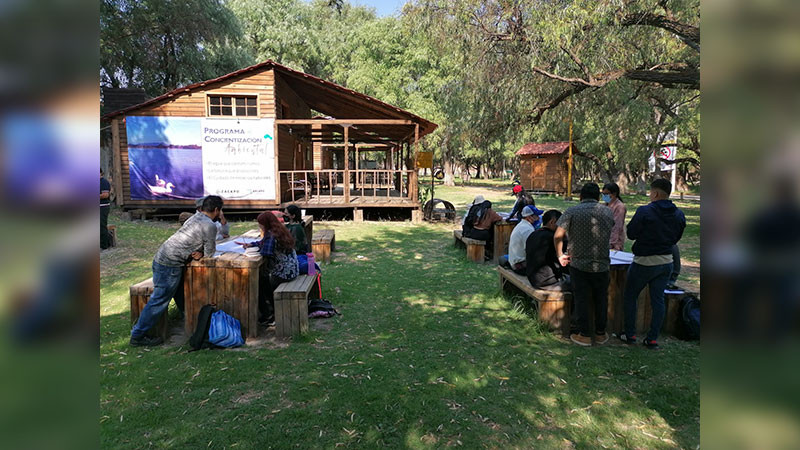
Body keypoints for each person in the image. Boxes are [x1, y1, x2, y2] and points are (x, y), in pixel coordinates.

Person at [129, 195, 223, 346]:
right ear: (217, 210)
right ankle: (138, 335)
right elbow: (210, 252)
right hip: (170, 265)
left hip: (162, 257)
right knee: (159, 300)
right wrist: (203, 253)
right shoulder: (209, 225)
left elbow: (191, 240)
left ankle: (191, 323)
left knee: (180, 294)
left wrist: (199, 252)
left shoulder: (194, 218)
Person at [620, 178, 686, 350]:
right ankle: (652, 338)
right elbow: (676, 238)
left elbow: (632, 233)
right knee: (658, 301)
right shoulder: (679, 214)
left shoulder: (645, 211)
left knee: (630, 296)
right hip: (666, 262)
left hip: (644, 262)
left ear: (655, 193)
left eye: (650, 192)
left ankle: (630, 334)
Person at [554, 183, 615, 346]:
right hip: (602, 264)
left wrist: (560, 254)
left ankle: (585, 334)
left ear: (580, 196)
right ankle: (601, 333)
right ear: (598, 196)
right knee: (601, 299)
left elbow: (558, 235)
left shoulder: (571, 211)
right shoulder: (608, 212)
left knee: (582, 299)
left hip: (579, 263)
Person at [238, 211, 299, 325]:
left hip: (284, 274)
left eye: (260, 223)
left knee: (258, 283)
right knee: (263, 280)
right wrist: (252, 244)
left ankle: (268, 315)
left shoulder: (271, 235)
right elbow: (263, 243)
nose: (259, 225)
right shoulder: (279, 231)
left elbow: (266, 253)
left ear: (265, 224)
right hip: (293, 270)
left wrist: (250, 253)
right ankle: (270, 309)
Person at [526, 210, 570, 291]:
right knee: (581, 284)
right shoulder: (553, 238)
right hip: (548, 282)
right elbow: (564, 260)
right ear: (552, 222)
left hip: (533, 279)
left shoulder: (533, 234)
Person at [499, 205, 544, 273]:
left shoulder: (521, 225)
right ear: (529, 217)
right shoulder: (528, 230)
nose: (538, 218)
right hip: (519, 266)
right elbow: (531, 251)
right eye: (536, 216)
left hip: (514, 262)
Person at [602, 182, 627, 251]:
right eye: (603, 194)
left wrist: (612, 242)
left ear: (614, 194)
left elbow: (617, 226)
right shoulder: (604, 205)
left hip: (614, 242)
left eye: (607, 194)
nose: (604, 196)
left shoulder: (619, 207)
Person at [100, 169, 112, 249]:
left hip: (103, 206)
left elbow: (105, 195)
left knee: (101, 225)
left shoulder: (104, 182)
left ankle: (104, 245)